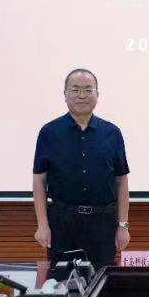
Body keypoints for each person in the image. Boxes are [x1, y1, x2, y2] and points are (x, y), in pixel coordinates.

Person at [32, 69, 131, 272]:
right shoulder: (49, 132)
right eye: (75, 89)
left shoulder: (112, 133)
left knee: (102, 282)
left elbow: (121, 181)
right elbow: (39, 181)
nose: (82, 95)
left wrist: (123, 226)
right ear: (65, 94)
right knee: (61, 283)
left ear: (97, 94)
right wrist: (42, 225)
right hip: (62, 221)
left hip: (102, 223)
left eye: (88, 90)